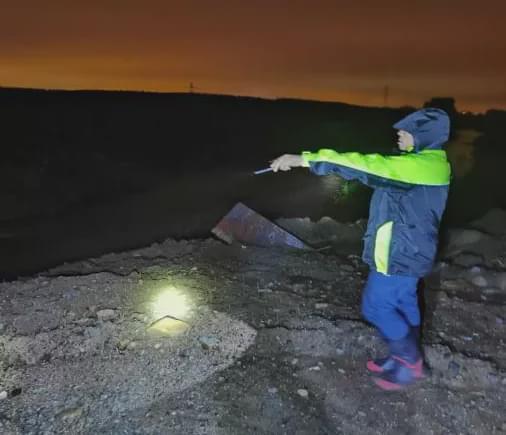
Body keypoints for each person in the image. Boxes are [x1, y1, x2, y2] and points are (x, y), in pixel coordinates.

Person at [270, 108, 451, 390]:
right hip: (411, 252)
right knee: (403, 302)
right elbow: (380, 167)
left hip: (400, 254)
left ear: (423, 135)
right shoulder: (426, 162)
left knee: (376, 306)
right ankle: (405, 357)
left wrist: (304, 159)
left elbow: (364, 166)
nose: (399, 134)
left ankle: (409, 362)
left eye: (406, 131)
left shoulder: (417, 168)